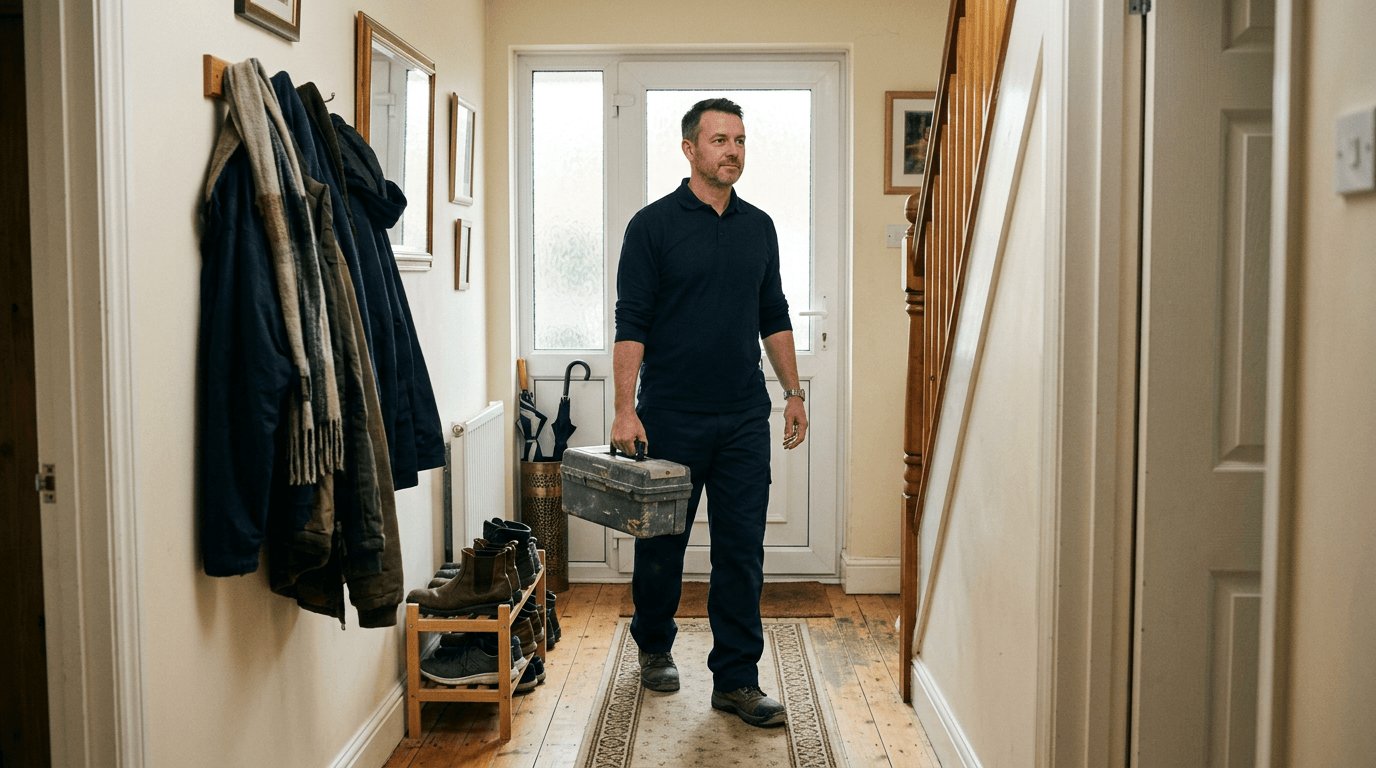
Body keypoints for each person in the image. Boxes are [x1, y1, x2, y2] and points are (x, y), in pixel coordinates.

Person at [611, 97, 808, 728]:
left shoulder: (760, 227)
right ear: (690, 150)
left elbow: (772, 314)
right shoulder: (652, 226)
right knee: (662, 545)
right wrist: (624, 408)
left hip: (744, 415)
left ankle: (736, 679)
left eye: (741, 141)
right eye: (720, 140)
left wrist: (794, 391)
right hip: (669, 415)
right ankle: (654, 646)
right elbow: (631, 322)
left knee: (742, 550)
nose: (733, 151)